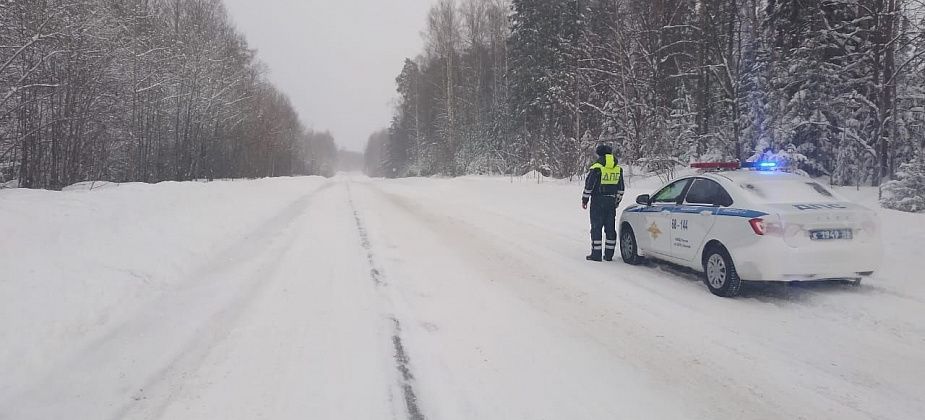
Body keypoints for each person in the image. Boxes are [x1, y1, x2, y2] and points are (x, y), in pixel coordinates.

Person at [582, 145, 625, 261]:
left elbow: (589, 186)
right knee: (610, 228)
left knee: (596, 227)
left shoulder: (596, 168)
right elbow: (621, 188)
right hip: (611, 201)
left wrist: (584, 199)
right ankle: (609, 255)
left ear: (599, 154)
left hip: (597, 201)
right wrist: (616, 201)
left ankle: (596, 254)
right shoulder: (618, 169)